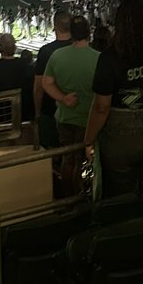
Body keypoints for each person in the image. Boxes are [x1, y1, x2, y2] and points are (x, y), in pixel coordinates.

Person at [84, 0, 143, 198]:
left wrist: (88, 140)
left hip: (122, 135)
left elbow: (101, 107)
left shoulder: (110, 57)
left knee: (124, 201)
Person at [42, 16, 100, 194]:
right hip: (89, 119)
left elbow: (46, 82)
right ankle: (86, 195)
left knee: (69, 160)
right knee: (88, 159)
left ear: (72, 34)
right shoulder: (98, 58)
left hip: (65, 117)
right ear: (88, 33)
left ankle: (70, 196)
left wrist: (63, 98)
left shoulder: (57, 55)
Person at [33, 10, 72, 148]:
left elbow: (39, 87)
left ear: (54, 26)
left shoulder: (46, 51)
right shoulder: (82, 47)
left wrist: (37, 113)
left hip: (51, 111)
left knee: (53, 153)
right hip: (78, 109)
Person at [0, 33, 29, 126]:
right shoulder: (25, 65)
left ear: (0, 48)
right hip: (23, 113)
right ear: (14, 47)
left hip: (0, 115)